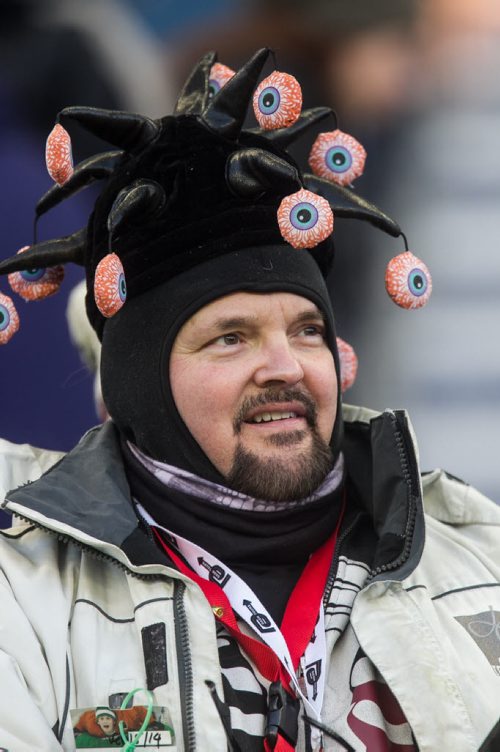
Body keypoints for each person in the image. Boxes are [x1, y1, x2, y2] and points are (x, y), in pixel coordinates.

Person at [0, 49, 498, 752]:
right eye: (230, 338)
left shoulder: (479, 556)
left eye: (306, 330)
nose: (284, 367)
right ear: (140, 382)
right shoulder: (19, 595)